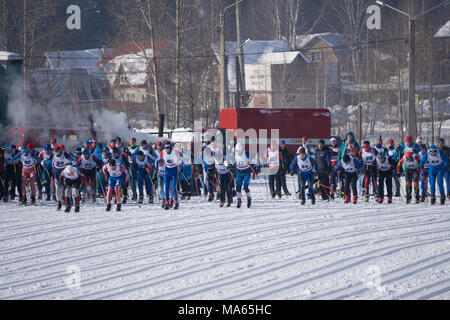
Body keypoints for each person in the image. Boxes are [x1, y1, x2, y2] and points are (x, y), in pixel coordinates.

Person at [156, 142, 182, 210]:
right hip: (167, 170)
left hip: (174, 170)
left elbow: (181, 158)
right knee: (166, 187)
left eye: (168, 148)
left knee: (174, 187)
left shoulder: (175, 151)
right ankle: (167, 202)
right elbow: (156, 161)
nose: (167, 149)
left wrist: (180, 164)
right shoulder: (163, 152)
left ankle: (176, 202)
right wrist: (156, 168)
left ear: (170, 148)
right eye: (166, 148)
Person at [233, 143, 254, 208]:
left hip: (246, 172)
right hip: (239, 172)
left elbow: (253, 158)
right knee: (238, 187)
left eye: (239, 151)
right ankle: (239, 200)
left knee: (245, 186)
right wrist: (227, 164)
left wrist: (252, 161)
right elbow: (227, 159)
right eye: (237, 151)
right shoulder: (234, 154)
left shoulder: (246, 153)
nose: (238, 152)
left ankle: (249, 199)